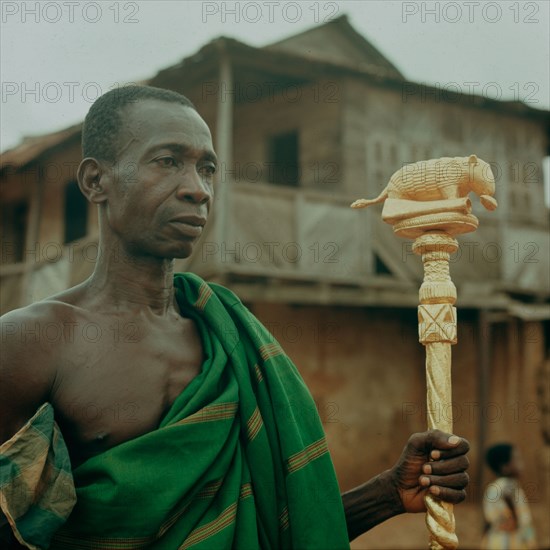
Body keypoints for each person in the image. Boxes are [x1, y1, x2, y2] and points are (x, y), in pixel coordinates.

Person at [0, 85, 470, 549]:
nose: (197, 189)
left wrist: (388, 493)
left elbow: (279, 531)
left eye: (207, 168)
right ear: (95, 181)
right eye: (167, 162)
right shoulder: (29, 343)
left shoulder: (229, 337)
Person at [481, 443, 537, 550]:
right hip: (505, 544)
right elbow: (507, 523)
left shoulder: (512, 486)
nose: (522, 463)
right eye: (517, 459)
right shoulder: (503, 488)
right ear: (505, 467)